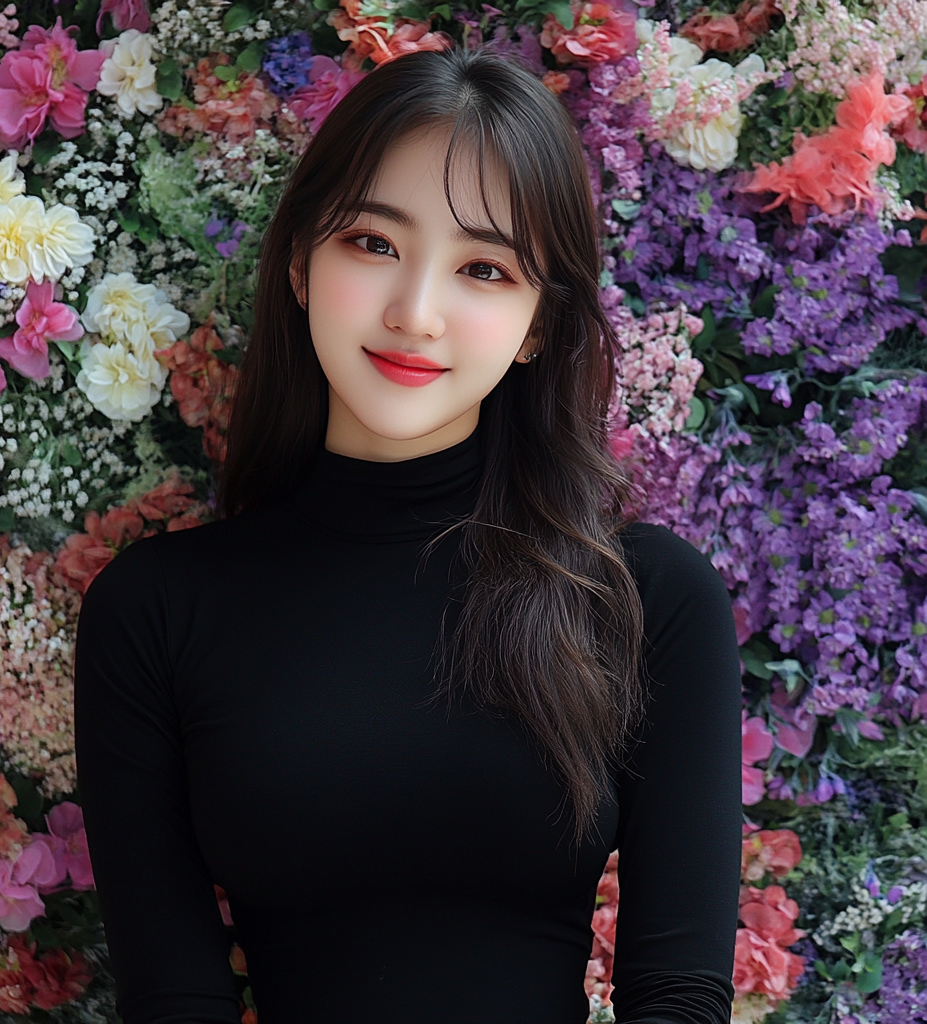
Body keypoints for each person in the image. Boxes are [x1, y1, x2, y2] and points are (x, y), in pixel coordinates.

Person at [74, 45, 742, 1024]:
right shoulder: (155, 610)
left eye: (482, 267)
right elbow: (174, 998)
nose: (414, 313)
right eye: (374, 244)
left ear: (536, 327)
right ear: (301, 262)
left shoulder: (644, 602)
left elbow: (677, 999)